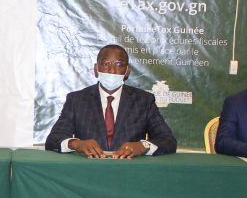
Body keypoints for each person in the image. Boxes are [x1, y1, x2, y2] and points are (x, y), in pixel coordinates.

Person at [45, 44, 177, 158]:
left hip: (130, 170)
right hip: (89, 170)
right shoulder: (76, 100)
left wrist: (143, 146)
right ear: (96, 69)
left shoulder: (144, 100)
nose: (112, 70)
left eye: (119, 64)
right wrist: (77, 144)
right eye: (106, 64)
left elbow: (168, 141)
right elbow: (53, 140)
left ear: (127, 71)